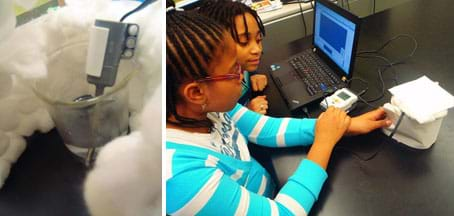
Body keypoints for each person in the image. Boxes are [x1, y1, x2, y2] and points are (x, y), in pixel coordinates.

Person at [166, 1, 391, 215]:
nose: (241, 76)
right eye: (234, 70)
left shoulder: (205, 108)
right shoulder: (181, 179)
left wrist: (344, 125)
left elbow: (265, 129)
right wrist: (324, 142)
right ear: (196, 92)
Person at [198, 0, 269, 114]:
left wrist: (254, 76)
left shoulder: (244, 67)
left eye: (258, 39)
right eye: (244, 42)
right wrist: (248, 113)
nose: (257, 50)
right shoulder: (215, 93)